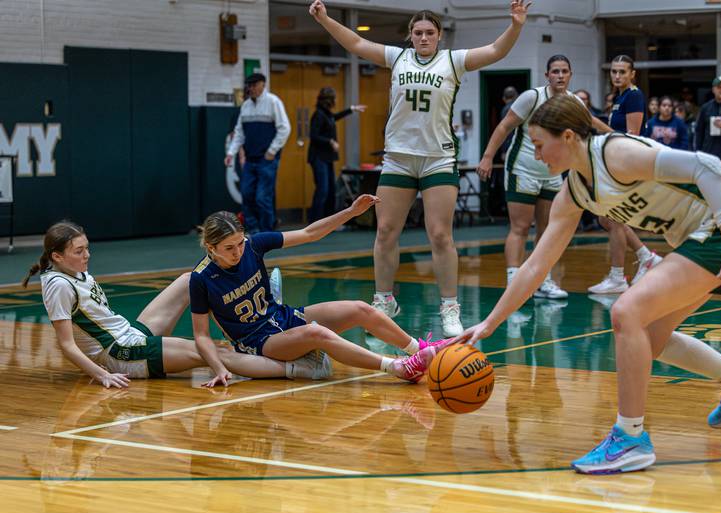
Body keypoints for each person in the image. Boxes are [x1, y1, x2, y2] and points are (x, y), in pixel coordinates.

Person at [458, 94, 721, 475]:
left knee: (627, 311)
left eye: (540, 145)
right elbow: (535, 266)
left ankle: (630, 438)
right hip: (700, 237)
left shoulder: (616, 154)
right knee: (652, 337)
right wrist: (489, 324)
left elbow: (706, 166)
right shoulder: (575, 190)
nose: (538, 155)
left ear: (568, 137)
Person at [310, 0, 531, 337]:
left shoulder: (452, 61)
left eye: (430, 32)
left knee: (440, 234)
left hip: (438, 158)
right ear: (410, 37)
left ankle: (450, 307)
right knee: (385, 232)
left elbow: (496, 51)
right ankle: (384, 301)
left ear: (439, 36)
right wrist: (325, 19)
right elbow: (355, 43)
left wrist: (516, 25)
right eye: (418, 33)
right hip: (398, 157)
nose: (424, 37)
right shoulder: (396, 58)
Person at [190, 194, 449, 388]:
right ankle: (398, 367)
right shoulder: (201, 278)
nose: (238, 251)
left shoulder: (253, 245)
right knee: (317, 333)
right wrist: (218, 367)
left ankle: (418, 350)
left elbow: (308, 233)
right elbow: (201, 336)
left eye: (239, 243)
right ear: (211, 248)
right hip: (258, 342)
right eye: (229, 248)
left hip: (282, 318)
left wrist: (350, 211)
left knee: (359, 308)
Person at [23, 221, 314, 389]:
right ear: (57, 256)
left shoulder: (72, 271)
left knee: (190, 280)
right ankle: (294, 368)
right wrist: (101, 374)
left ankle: (253, 312)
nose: (87, 254)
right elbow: (66, 344)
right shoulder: (59, 285)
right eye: (79, 251)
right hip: (120, 353)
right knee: (211, 350)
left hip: (130, 333)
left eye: (87, 247)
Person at [477, 55, 611, 300]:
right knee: (519, 227)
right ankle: (513, 281)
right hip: (523, 169)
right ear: (547, 75)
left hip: (552, 173)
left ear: (570, 75)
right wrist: (487, 156)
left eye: (564, 71)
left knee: (547, 229)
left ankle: (542, 280)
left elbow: (591, 122)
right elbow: (505, 126)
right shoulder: (532, 97)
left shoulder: (573, 102)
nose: (560, 75)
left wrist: (616, 136)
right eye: (555, 71)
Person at [590, 55, 662, 295]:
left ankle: (617, 276)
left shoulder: (634, 96)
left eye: (622, 72)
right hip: (615, 162)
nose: (617, 76)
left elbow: (630, 136)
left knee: (614, 220)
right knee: (606, 219)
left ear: (632, 74)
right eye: (614, 72)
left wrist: (596, 124)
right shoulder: (619, 97)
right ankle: (646, 257)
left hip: (627, 163)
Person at [225, 73, 290, 233]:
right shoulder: (246, 106)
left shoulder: (273, 102)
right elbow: (239, 132)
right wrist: (231, 153)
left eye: (254, 85)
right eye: (249, 85)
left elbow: (285, 128)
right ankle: (253, 232)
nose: (251, 88)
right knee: (247, 196)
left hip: (266, 160)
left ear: (263, 85)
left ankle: (267, 232)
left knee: (262, 198)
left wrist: (272, 151)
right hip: (250, 160)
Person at [307, 87, 366, 222]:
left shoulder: (326, 114)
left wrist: (351, 109)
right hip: (318, 158)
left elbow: (335, 117)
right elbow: (313, 136)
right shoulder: (318, 115)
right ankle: (315, 221)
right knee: (323, 190)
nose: (336, 100)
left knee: (331, 190)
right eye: (334, 98)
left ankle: (328, 221)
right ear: (329, 100)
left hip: (326, 158)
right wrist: (330, 142)